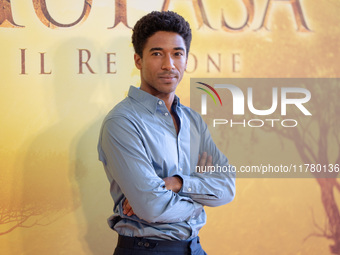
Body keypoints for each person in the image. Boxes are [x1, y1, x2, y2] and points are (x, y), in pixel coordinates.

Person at [97, 11, 235, 255]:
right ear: (138, 60)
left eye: (177, 54)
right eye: (157, 53)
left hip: (195, 248)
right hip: (146, 250)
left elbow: (226, 187)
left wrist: (177, 183)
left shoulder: (193, 121)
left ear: (186, 59)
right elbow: (152, 207)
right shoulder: (122, 122)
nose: (169, 65)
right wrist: (202, 196)